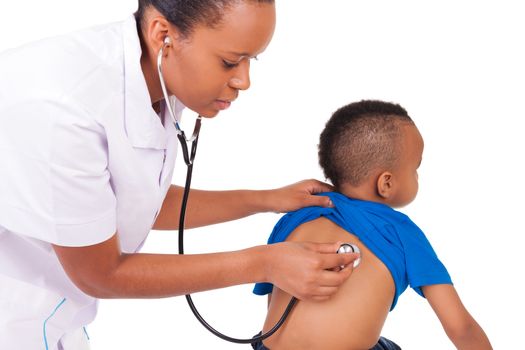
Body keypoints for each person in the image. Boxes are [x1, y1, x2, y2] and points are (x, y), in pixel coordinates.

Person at [0, 1, 364, 349]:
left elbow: (135, 201)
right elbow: (101, 274)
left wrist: (266, 199)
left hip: (54, 313)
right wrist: (265, 263)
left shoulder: (158, 72)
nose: (244, 81)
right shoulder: (65, 108)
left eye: (251, 61)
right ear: (163, 33)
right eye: (229, 62)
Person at [252, 100, 493, 350]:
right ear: (386, 183)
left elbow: (274, 309)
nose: (418, 176)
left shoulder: (294, 216)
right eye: (415, 169)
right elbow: (460, 327)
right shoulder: (401, 231)